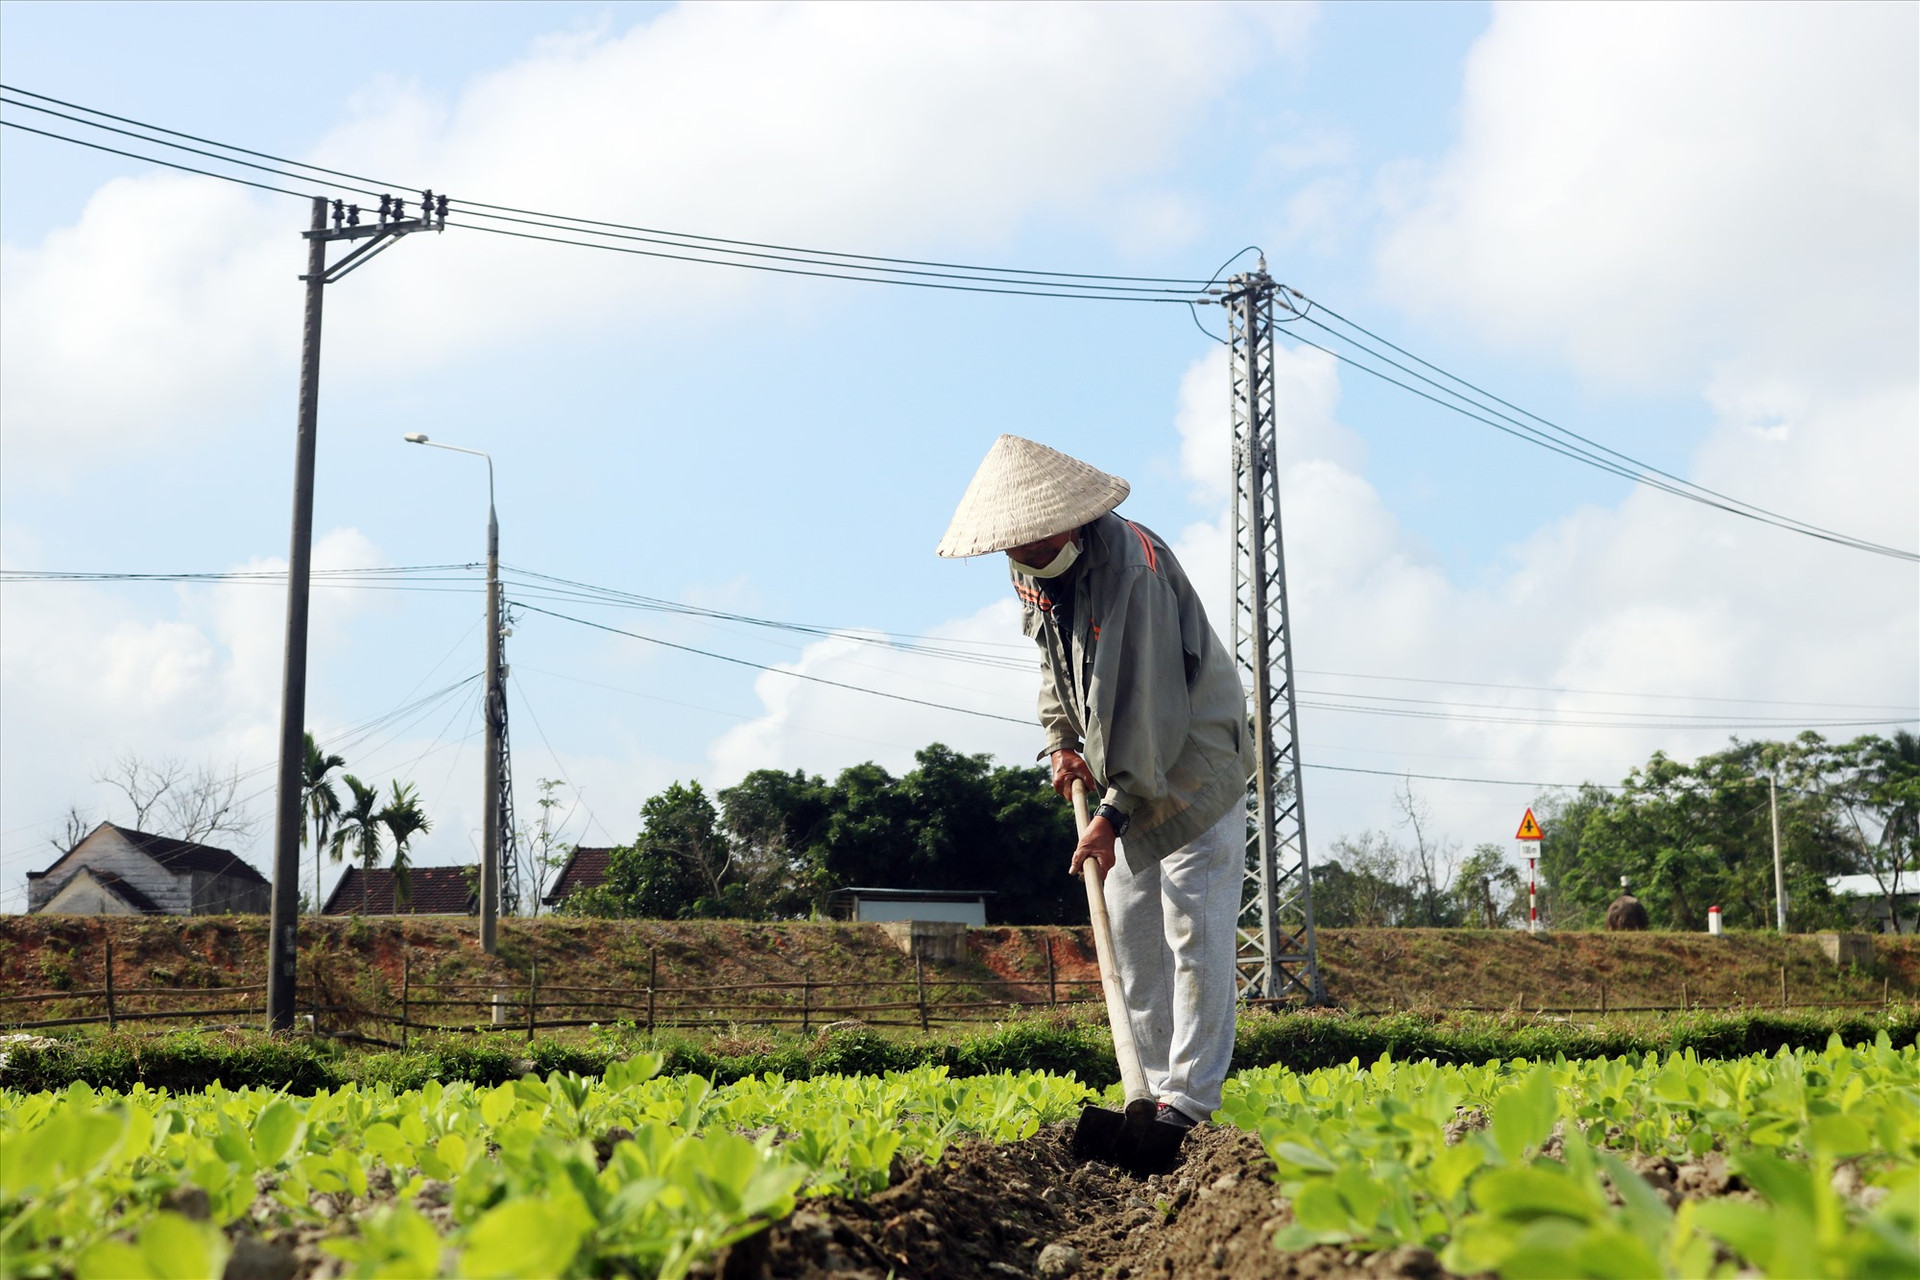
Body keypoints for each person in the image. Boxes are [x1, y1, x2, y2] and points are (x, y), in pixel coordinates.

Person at [937, 434, 1253, 1129]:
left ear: (1073, 518)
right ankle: (1147, 1093)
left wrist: (1109, 814)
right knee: (1130, 927)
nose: (1026, 553)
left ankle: (1189, 1105)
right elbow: (1052, 663)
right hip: (1129, 773)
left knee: (1191, 930)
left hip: (1193, 763)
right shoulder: (1033, 566)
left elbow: (1141, 709)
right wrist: (1059, 742)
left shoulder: (1131, 573)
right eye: (1017, 545)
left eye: (1038, 539)